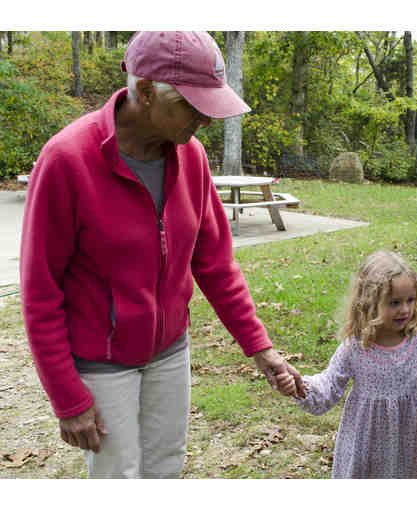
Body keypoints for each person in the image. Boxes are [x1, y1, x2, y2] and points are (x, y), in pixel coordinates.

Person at [20, 31, 304, 479]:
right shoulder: (67, 160)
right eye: (193, 105)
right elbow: (40, 291)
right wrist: (67, 397)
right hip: (102, 362)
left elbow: (214, 263)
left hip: (169, 351)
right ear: (147, 90)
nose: (205, 120)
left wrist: (260, 347)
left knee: (165, 470)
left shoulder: (192, 157)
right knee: (119, 478)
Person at [277, 250, 417, 478]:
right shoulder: (355, 348)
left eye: (410, 300)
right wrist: (299, 387)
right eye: (394, 302)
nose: (404, 309)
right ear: (369, 303)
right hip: (371, 448)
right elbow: (328, 386)